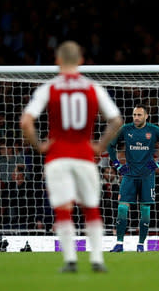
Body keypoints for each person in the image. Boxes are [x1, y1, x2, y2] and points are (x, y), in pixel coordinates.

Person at [20, 40, 123, 273]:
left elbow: (26, 121)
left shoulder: (49, 88)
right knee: (91, 207)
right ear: (81, 61)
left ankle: (70, 261)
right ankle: (97, 260)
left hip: (57, 157)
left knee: (63, 209)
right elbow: (116, 120)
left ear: (57, 60)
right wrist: (99, 145)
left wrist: (39, 145)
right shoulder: (93, 87)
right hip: (84, 154)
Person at [108, 104, 159, 252]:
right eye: (134, 115)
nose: (136, 118)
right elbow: (110, 146)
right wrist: (118, 165)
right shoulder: (126, 129)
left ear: (146, 116)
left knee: (145, 210)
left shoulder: (153, 130)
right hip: (129, 175)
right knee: (121, 207)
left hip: (147, 176)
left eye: (139, 115)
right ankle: (119, 243)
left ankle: (140, 245)